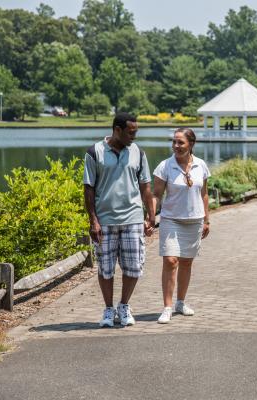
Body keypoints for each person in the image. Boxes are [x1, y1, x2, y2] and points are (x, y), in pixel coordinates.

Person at [83, 112, 156, 328]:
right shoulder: (94, 152)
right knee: (105, 268)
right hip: (105, 219)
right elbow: (89, 188)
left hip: (132, 218)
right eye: (131, 132)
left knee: (133, 266)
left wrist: (151, 214)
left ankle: (124, 306)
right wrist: (93, 220)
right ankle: (108, 309)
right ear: (117, 130)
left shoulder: (138, 153)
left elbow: (145, 186)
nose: (134, 136)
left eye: (136, 132)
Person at [152, 128, 211, 324]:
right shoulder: (165, 166)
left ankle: (180, 302)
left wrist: (207, 219)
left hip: (194, 220)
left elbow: (204, 194)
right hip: (171, 220)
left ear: (191, 144)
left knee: (186, 262)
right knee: (170, 261)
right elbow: (156, 195)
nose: (176, 146)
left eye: (181, 143)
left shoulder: (201, 165)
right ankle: (167, 307)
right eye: (174, 142)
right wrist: (150, 217)